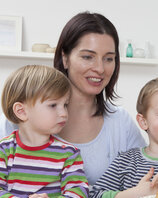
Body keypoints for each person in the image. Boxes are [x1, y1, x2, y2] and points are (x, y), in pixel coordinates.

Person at [0, 12, 146, 186]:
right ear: (65, 58)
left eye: (108, 59)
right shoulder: (18, 122)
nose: (100, 68)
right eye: (87, 57)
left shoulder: (120, 123)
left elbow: (144, 184)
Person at [0, 65, 89, 198]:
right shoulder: (4, 150)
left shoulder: (69, 152)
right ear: (21, 111)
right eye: (53, 105)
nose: (63, 113)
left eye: (65, 105)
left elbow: (78, 191)